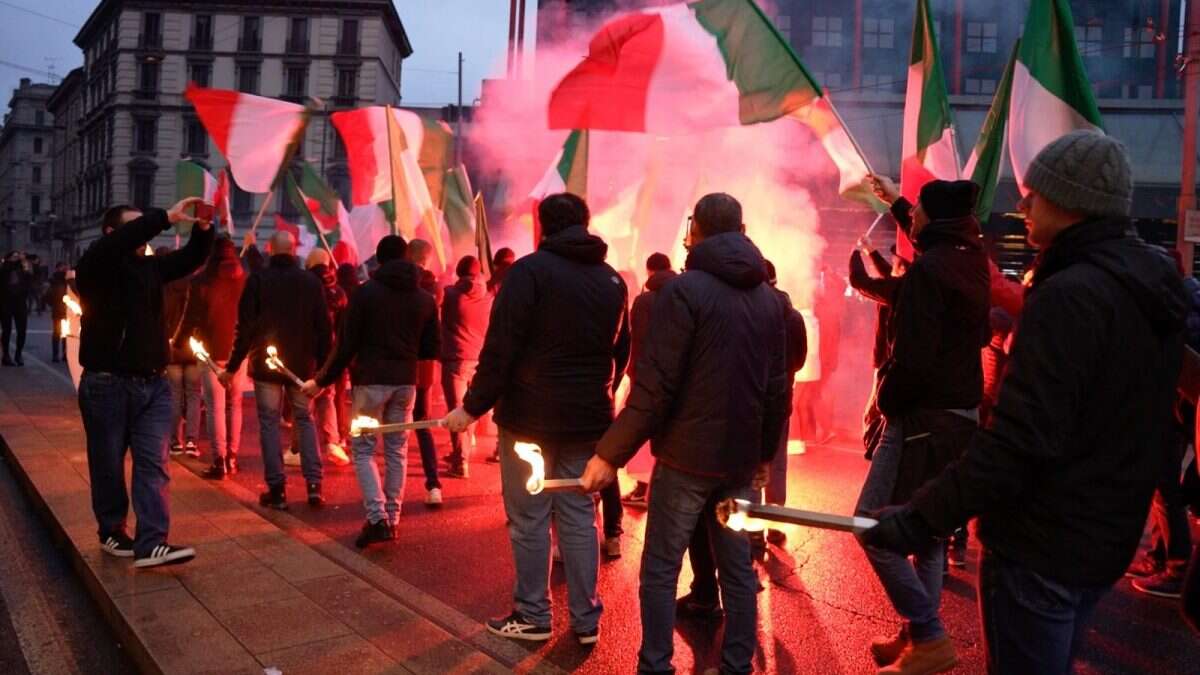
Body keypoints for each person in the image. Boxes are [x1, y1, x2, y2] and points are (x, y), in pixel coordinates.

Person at [863, 130, 1187, 675]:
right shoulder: (1148, 288)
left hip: (1041, 543)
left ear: (1070, 201)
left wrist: (920, 518)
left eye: (1035, 192)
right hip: (1102, 539)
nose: (1022, 203)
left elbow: (1018, 441)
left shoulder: (1069, 296)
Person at [578, 193, 789, 674]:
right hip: (737, 459)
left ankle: (655, 665)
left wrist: (610, 454)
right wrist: (763, 453)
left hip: (686, 459)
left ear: (695, 229)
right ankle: (738, 665)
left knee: (661, 567)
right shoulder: (769, 298)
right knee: (737, 569)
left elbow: (656, 386)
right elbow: (778, 389)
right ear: (742, 227)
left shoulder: (684, 291)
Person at [446, 193, 630, 645]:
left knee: (528, 519)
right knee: (579, 516)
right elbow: (621, 352)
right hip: (589, 418)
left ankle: (533, 615)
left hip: (529, 418)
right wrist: (601, 392)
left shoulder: (529, 273)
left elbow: (501, 349)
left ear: (543, 227)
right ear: (585, 224)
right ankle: (586, 620)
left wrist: (471, 407)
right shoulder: (612, 279)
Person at [856, 174, 990, 675]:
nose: (911, 221)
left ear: (932, 220)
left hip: (922, 415)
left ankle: (929, 635)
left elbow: (912, 358)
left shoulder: (930, 271)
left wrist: (885, 401)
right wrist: (895, 200)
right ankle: (918, 636)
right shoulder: (969, 257)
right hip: (958, 413)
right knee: (929, 532)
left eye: (916, 215)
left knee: (870, 522)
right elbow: (930, 236)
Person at [75, 197, 213, 568]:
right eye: (134, 226)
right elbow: (120, 243)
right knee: (108, 463)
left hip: (153, 383)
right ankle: (112, 530)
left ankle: (152, 542)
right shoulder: (95, 266)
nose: (145, 232)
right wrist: (163, 217)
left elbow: (189, 261)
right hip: (107, 384)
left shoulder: (150, 268)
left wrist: (203, 230)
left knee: (154, 463)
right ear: (110, 233)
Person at [302, 235, 439, 548]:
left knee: (363, 450)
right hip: (406, 382)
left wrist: (321, 381)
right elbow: (432, 347)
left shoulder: (366, 295)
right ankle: (392, 518)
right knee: (396, 450)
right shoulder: (424, 298)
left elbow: (346, 344)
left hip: (370, 381)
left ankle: (376, 518)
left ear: (378, 259)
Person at [223, 230, 331, 510]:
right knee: (305, 421)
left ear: (270, 249)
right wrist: (323, 370)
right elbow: (323, 327)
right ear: (294, 251)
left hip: (266, 366)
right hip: (302, 366)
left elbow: (244, 328)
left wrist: (232, 366)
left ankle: (277, 489)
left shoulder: (258, 280)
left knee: (269, 423)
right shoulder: (310, 282)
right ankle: (314, 486)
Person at [176, 237, 247, 479]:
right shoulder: (245, 280)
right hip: (239, 351)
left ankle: (219, 460)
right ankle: (233, 456)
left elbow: (191, 316)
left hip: (210, 352)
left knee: (215, 407)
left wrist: (177, 342)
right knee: (234, 405)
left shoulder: (201, 281)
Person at [620, 252, 677, 507]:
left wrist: (632, 374)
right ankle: (664, 490)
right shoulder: (685, 295)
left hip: (647, 378)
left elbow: (638, 342)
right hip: (678, 380)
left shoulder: (644, 302)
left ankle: (644, 489)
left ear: (650, 271)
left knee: (642, 432)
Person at [439, 255, 493, 478]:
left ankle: (461, 461)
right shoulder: (488, 297)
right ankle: (462, 453)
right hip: (479, 358)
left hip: (456, 359)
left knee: (456, 409)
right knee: (469, 408)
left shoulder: (451, 295)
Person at [406, 239, 446, 505]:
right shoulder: (435, 289)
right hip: (425, 367)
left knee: (392, 425)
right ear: (428, 259)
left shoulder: (402, 285)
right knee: (422, 423)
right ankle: (433, 485)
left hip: (400, 364)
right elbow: (435, 339)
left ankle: (386, 501)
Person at [304, 248, 351, 467]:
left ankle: (300, 448)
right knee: (328, 397)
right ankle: (332, 442)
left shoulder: (303, 286)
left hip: (306, 352)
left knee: (302, 400)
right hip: (331, 353)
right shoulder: (339, 292)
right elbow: (344, 327)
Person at [161, 251, 202, 459]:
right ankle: (192, 441)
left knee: (175, 395)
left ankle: (175, 441)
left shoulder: (164, 286)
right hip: (193, 348)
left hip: (172, 348)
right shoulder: (193, 285)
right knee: (194, 395)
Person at [1, 250, 33, 366]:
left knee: (22, 330)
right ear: (8, 258)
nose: (17, 257)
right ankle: (6, 355)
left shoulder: (22, 268)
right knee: (6, 331)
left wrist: (25, 266)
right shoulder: (4, 268)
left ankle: (18, 354)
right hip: (6, 303)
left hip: (20, 303)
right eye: (14, 256)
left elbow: (30, 279)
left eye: (18, 256)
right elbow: (5, 272)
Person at [45, 262, 69, 362]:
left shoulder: (68, 281)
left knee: (66, 334)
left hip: (66, 310)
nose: (64, 270)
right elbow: (47, 297)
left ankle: (64, 354)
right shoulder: (54, 281)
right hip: (59, 310)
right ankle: (57, 355)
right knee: (58, 333)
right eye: (62, 268)